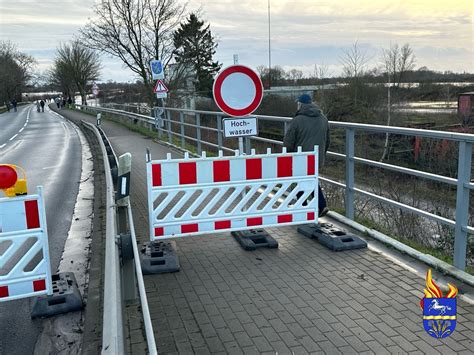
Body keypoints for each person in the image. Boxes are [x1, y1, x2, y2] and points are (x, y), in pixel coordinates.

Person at [283, 93, 330, 217]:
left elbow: (288, 142)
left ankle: (317, 205)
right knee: (309, 179)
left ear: (300, 104)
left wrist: (287, 155)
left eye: (297, 104)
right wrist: (322, 155)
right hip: (317, 156)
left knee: (302, 180)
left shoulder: (297, 120)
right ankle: (307, 205)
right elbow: (327, 140)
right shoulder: (323, 119)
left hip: (301, 157)